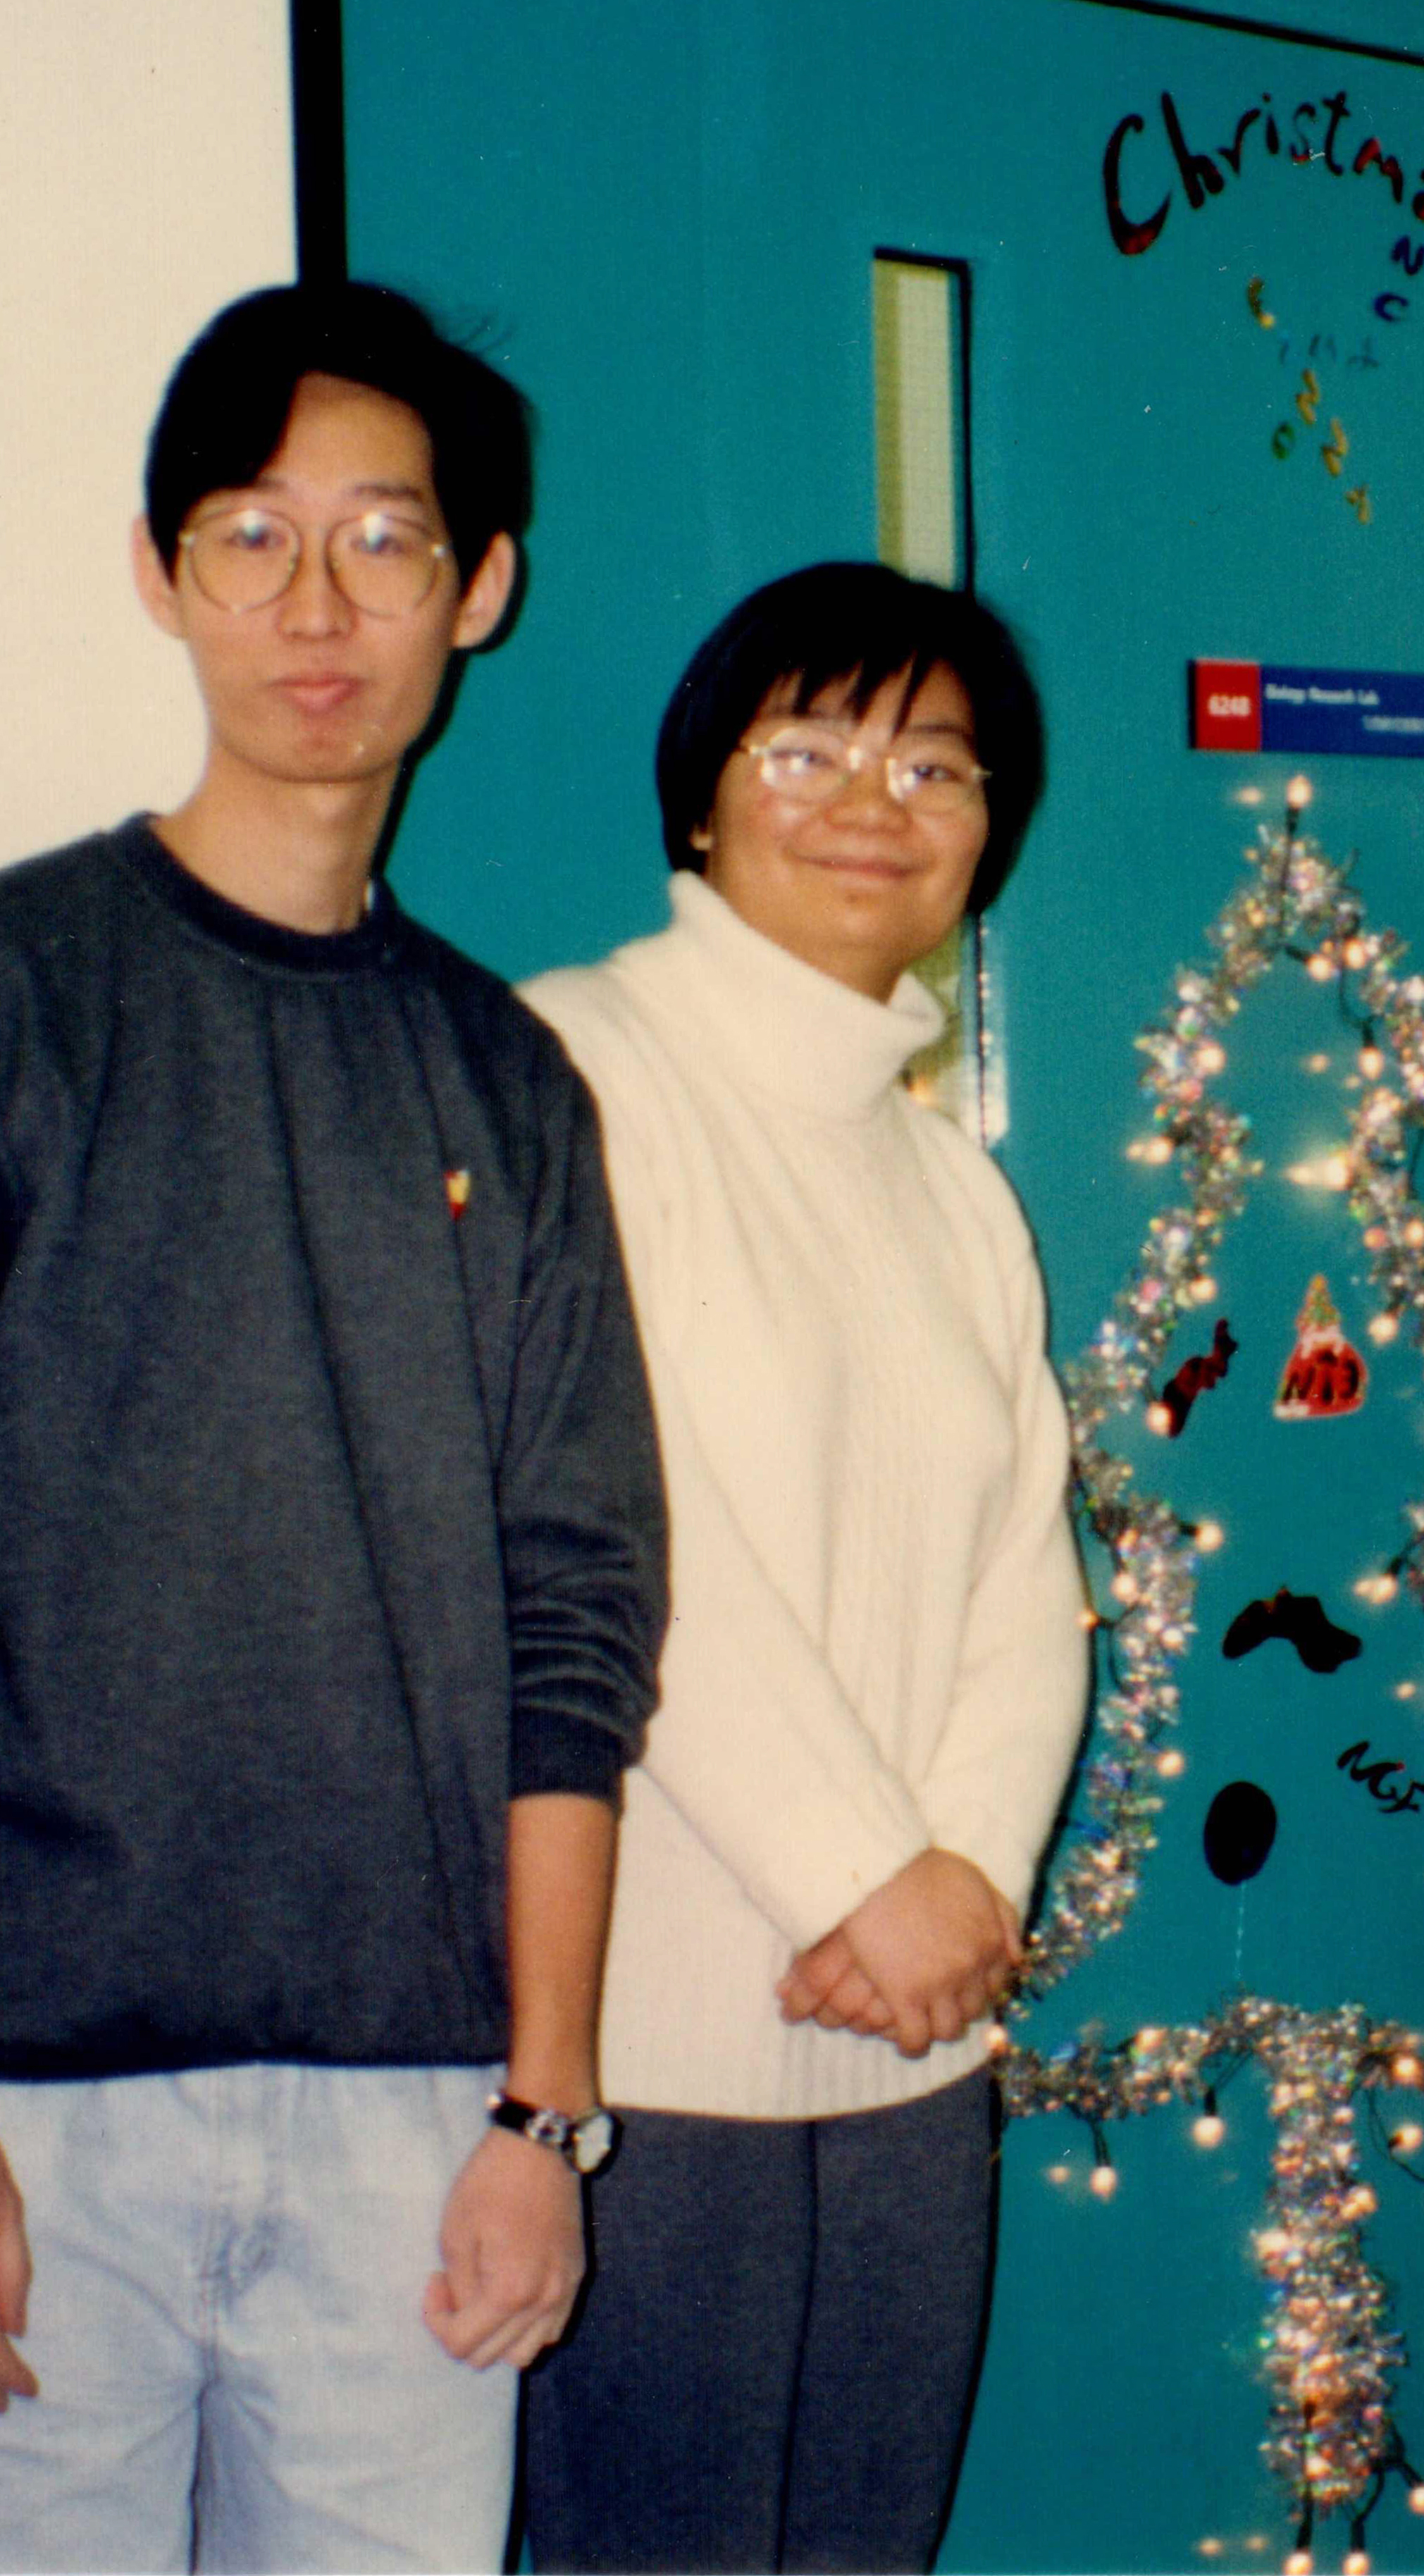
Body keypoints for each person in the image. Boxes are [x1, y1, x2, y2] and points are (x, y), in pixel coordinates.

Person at [0, 282, 667, 2571]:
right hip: (21, 2118)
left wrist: (547, 2107)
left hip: (411, 2138)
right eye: (249, 534)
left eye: (381, 539)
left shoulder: (508, 1093)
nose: (313, 606)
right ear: (160, 570)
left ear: (480, 585)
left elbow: (573, 1628)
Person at [514, 562, 1089, 2574]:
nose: (877, 799)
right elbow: (600, 1523)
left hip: (918, 2044)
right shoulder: (570, 1070)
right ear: (699, 796)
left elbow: (1032, 1579)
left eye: (938, 762)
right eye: (812, 746)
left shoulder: (949, 1178)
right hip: (653, 2031)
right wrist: (872, 1873)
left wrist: (969, 1883)